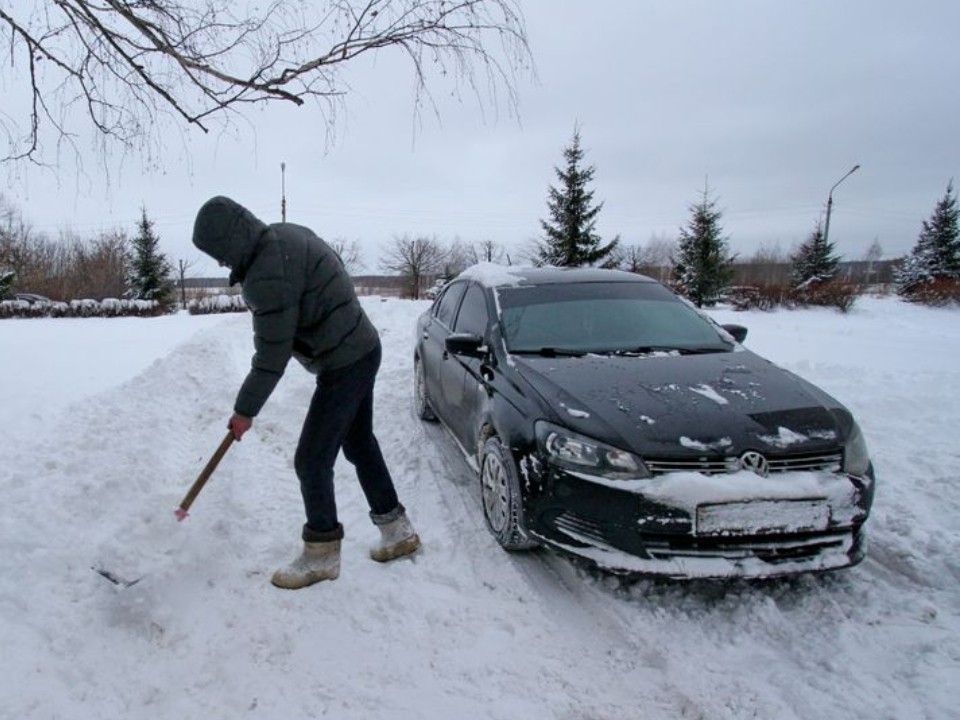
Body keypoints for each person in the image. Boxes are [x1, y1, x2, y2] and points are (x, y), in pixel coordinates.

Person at [192, 196, 420, 589]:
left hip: (344, 361)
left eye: (217, 254)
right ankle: (397, 531)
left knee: (311, 460)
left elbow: (271, 356)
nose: (220, 264)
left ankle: (322, 553)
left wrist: (244, 410)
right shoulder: (283, 235)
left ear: (227, 242)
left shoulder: (266, 276)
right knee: (359, 442)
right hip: (363, 346)